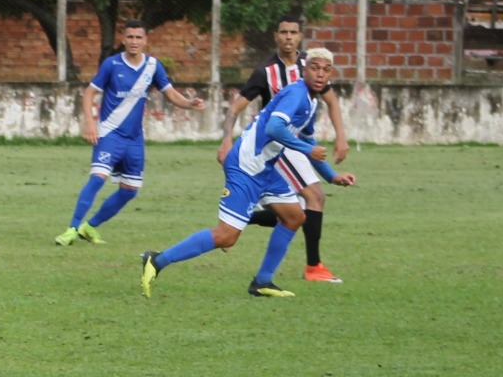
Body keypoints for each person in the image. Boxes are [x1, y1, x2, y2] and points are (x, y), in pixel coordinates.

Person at [141, 48, 356, 299]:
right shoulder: (296, 93)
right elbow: (275, 127)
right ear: (304, 70)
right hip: (246, 165)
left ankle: (262, 281)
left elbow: (307, 138)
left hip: (265, 168)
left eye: (326, 70)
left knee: (294, 217)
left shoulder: (311, 102)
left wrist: (331, 176)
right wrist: (308, 150)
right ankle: (156, 260)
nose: (320, 74)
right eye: (315, 68)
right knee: (226, 237)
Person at [217, 15, 350, 283]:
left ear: (300, 36)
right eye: (283, 32)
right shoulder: (265, 71)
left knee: (295, 210)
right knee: (314, 198)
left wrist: (341, 137)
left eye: (293, 32)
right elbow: (235, 107)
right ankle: (313, 267)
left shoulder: (312, 65)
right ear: (276, 36)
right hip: (279, 144)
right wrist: (226, 139)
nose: (288, 37)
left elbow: (332, 101)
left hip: (299, 142)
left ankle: (241, 219)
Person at [54, 19, 205, 245]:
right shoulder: (111, 64)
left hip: (134, 139)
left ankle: (89, 227)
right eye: (130, 37)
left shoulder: (153, 66)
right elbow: (89, 93)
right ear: (123, 39)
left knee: (130, 190)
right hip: (109, 134)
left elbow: (171, 94)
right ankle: (72, 229)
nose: (134, 41)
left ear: (145, 40)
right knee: (97, 179)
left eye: (138, 37)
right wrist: (90, 123)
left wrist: (189, 103)